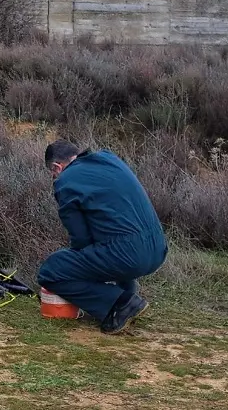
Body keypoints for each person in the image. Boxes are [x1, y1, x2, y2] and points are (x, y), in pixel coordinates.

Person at [37, 139, 168, 334]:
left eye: (53, 173)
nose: (54, 177)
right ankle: (127, 294)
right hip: (158, 249)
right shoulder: (109, 159)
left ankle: (122, 304)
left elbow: (81, 240)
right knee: (112, 242)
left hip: (130, 256)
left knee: (52, 270)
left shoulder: (66, 181)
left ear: (57, 167)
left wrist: (79, 270)